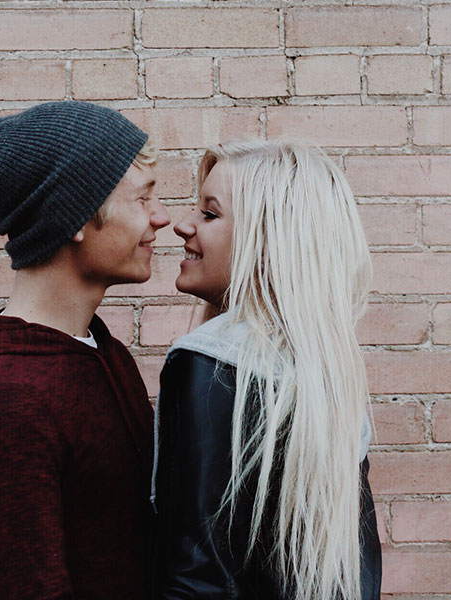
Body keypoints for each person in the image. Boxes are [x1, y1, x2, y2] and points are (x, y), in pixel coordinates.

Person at [0, 101, 170, 599]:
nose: (161, 218)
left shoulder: (103, 353)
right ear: (76, 216)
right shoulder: (3, 402)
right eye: (142, 199)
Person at [152, 139, 382, 600]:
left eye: (210, 214)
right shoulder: (326, 374)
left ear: (269, 238)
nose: (182, 225)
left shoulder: (211, 363)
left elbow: (198, 576)